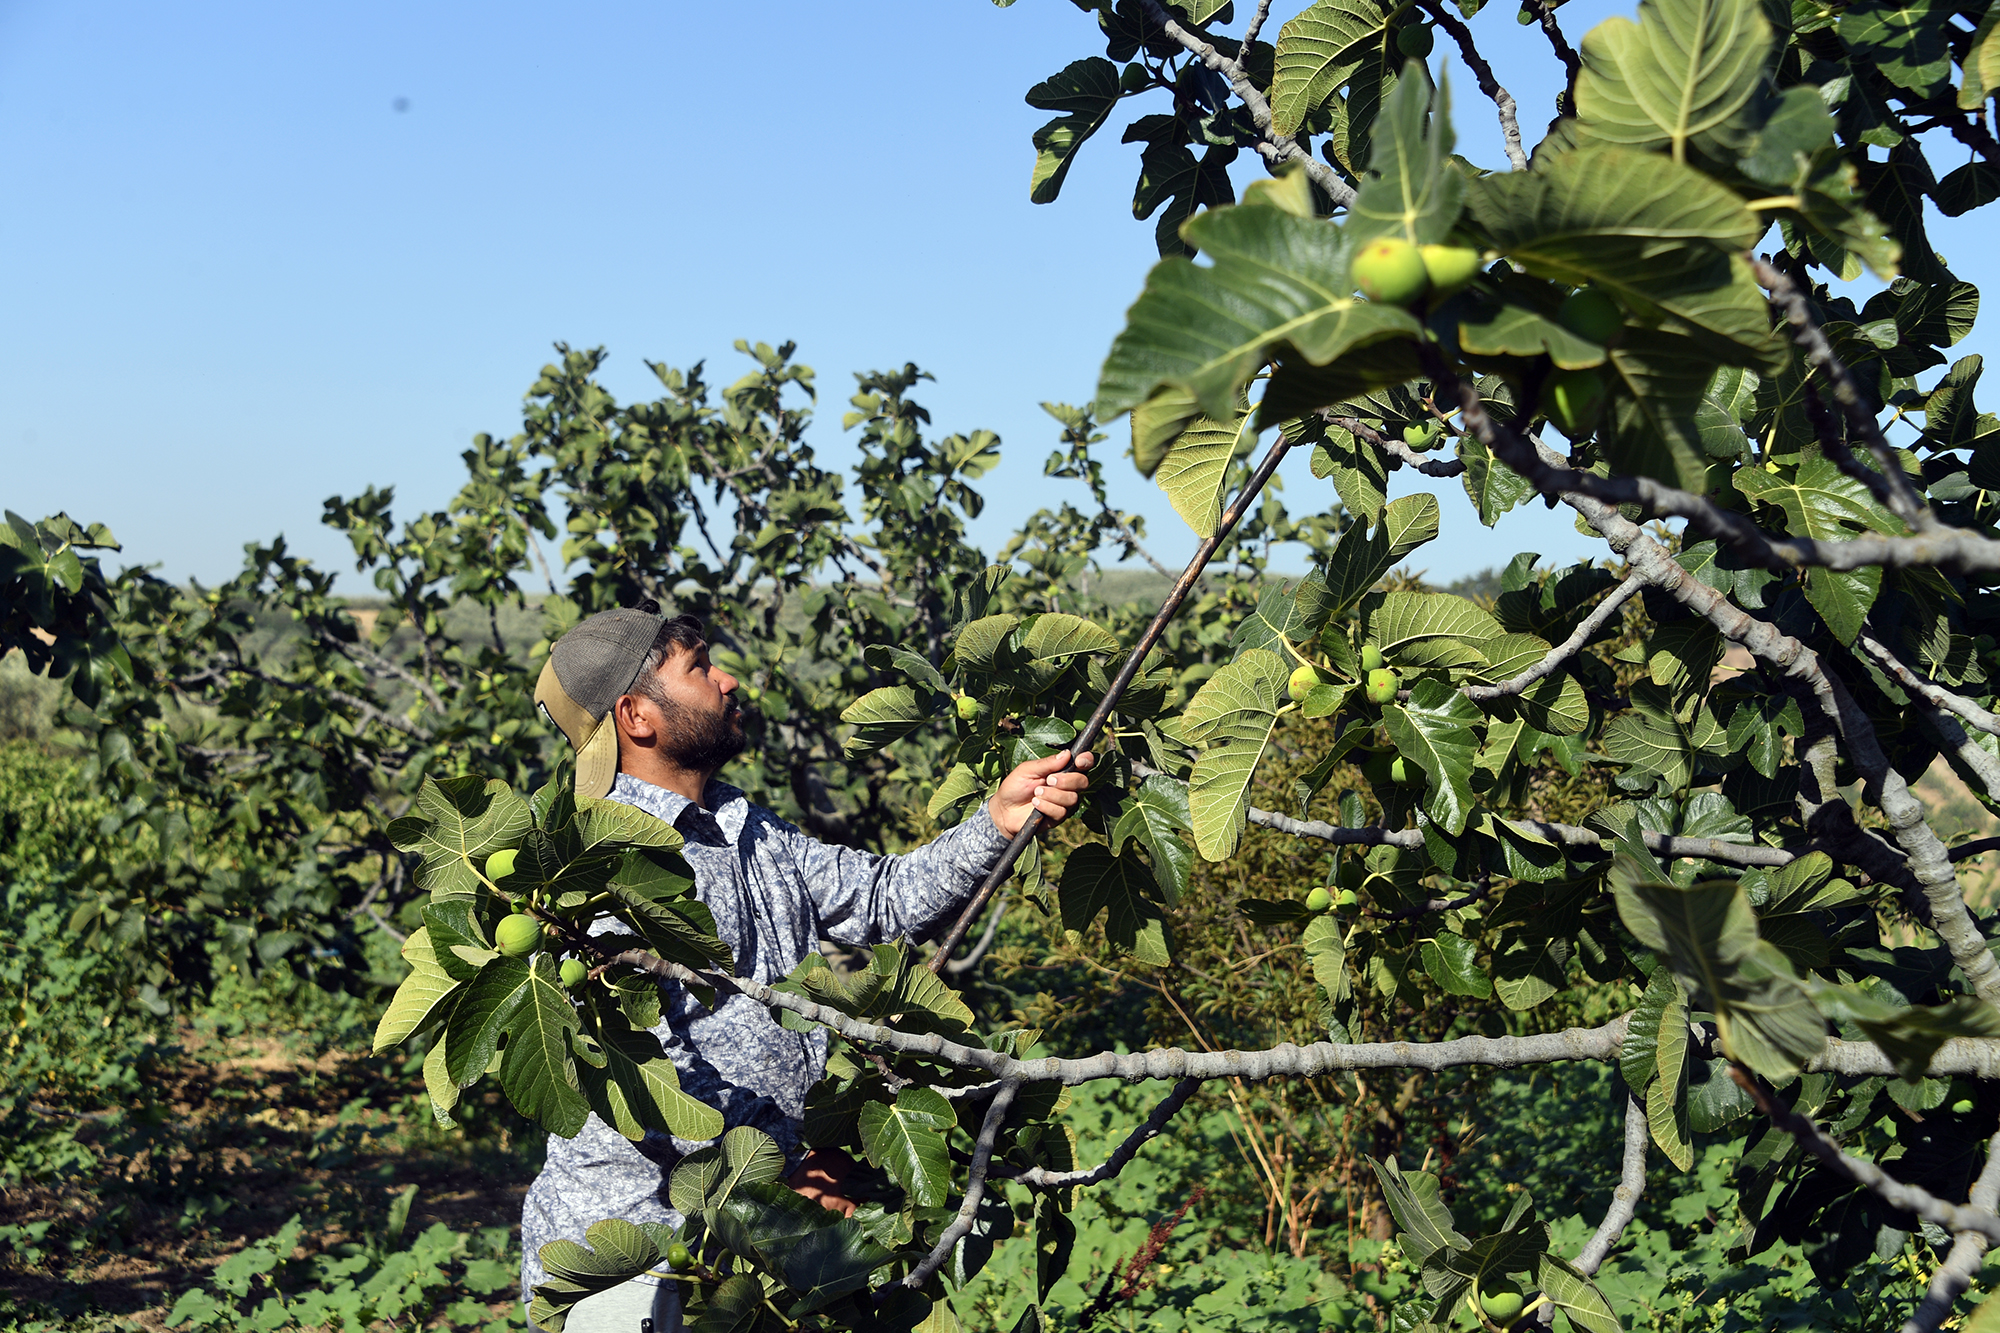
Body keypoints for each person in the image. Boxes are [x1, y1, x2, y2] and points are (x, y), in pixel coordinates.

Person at [518, 602, 1094, 1331]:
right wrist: (786, 1175)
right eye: (698, 667)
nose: (728, 680)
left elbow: (882, 897)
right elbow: (641, 1082)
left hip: (759, 1246)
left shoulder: (744, 825)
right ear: (637, 716)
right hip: (643, 1260)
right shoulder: (600, 867)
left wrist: (996, 820)